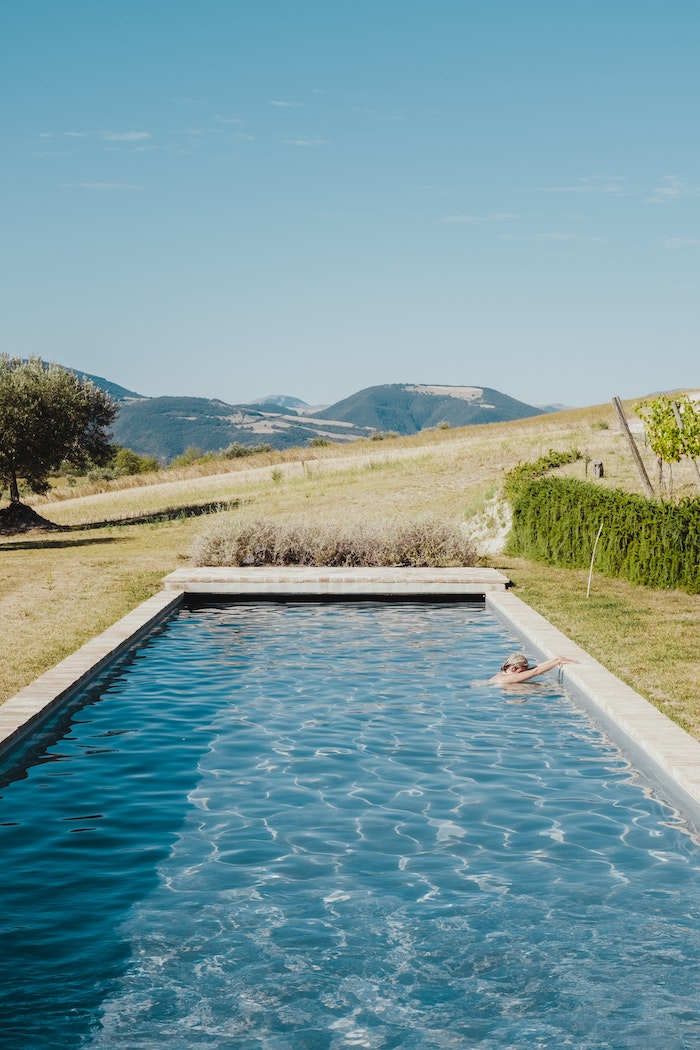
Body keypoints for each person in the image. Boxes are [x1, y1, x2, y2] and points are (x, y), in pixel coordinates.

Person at [489, 652, 579, 684]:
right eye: (523, 670)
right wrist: (558, 662)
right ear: (514, 668)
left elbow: (535, 668)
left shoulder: (505, 674)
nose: (525, 672)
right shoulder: (507, 679)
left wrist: (555, 659)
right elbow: (535, 671)